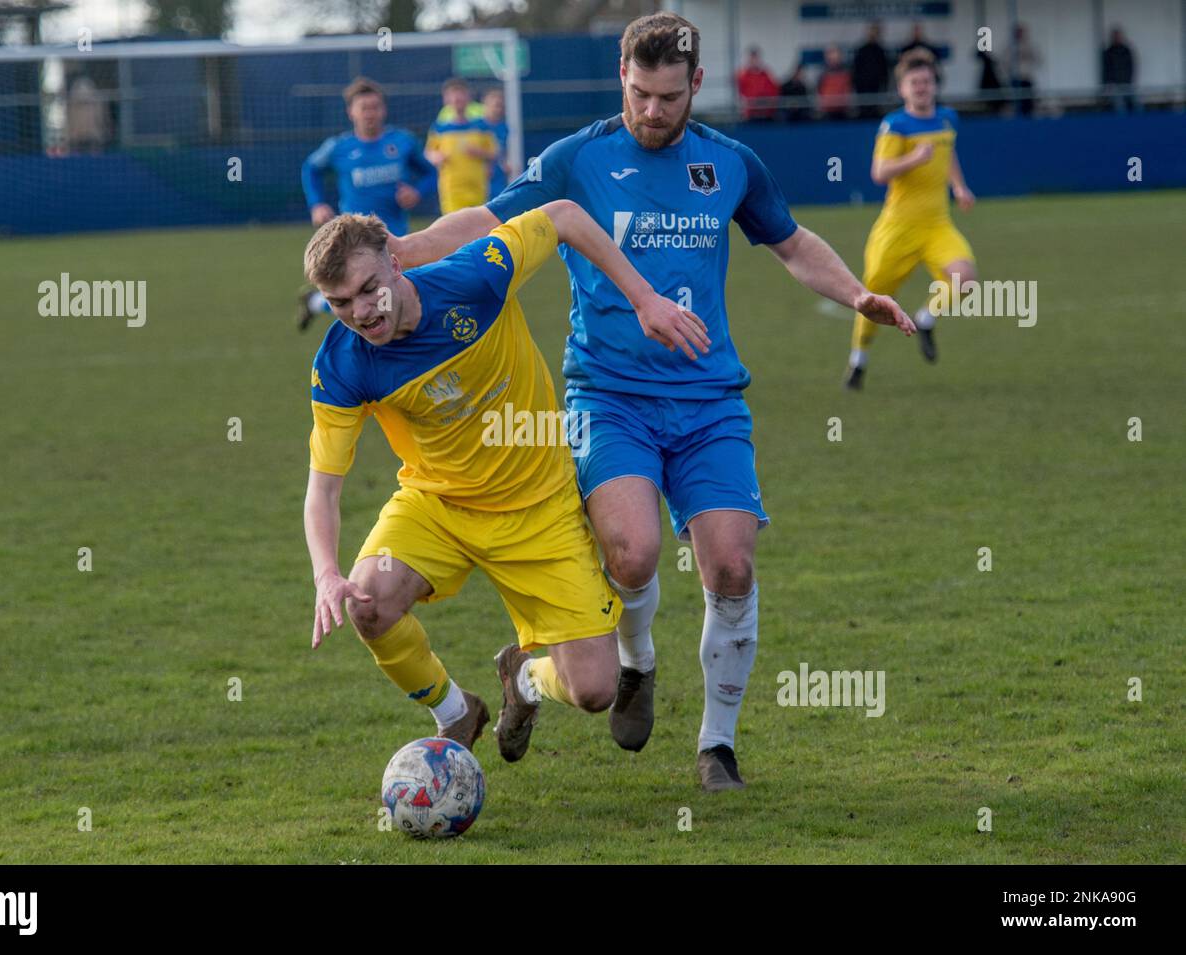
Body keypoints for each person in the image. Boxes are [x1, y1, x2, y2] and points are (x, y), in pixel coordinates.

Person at [387, 12, 913, 791]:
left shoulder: (730, 163)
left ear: (696, 84)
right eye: (639, 94)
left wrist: (858, 291)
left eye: (669, 97)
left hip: (709, 400)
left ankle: (717, 746)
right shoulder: (579, 159)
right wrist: (404, 249)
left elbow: (792, 242)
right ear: (621, 80)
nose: (653, 111)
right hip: (608, 394)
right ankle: (637, 665)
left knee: (730, 564)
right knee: (629, 551)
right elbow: (489, 218)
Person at [302, 202, 708, 759]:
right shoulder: (343, 364)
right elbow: (323, 487)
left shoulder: (478, 276)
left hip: (539, 506)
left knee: (593, 689)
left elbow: (563, 215)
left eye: (369, 289)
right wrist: (327, 573)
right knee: (366, 603)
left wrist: (644, 298)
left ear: (396, 263)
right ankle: (455, 712)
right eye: (339, 302)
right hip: (437, 505)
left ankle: (524, 680)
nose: (360, 312)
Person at [846, 51, 976, 389]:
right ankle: (859, 359)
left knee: (966, 279)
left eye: (927, 81)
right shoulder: (895, 125)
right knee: (873, 298)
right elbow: (879, 172)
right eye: (914, 83)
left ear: (935, 85)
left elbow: (948, 156)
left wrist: (959, 187)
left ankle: (926, 317)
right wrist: (914, 159)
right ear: (902, 89)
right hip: (898, 228)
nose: (921, 87)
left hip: (937, 225)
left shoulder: (947, 120)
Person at [297, 77, 436, 329]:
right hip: (355, 238)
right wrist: (317, 203)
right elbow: (310, 169)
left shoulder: (402, 141)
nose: (370, 113)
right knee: (368, 295)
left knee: (394, 294)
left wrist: (416, 192)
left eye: (375, 107)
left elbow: (431, 173)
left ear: (383, 109)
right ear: (351, 112)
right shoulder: (339, 147)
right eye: (364, 108)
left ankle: (316, 303)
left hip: (395, 234)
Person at [425, 78, 498, 214]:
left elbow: (494, 153)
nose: (457, 99)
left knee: (478, 226)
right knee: (454, 227)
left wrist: (479, 152)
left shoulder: (481, 126)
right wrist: (436, 157)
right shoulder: (440, 128)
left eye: (461, 94)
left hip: (477, 187)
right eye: (452, 95)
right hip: (452, 188)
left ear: (468, 97)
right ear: (446, 100)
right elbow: (428, 153)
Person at [852, 22, 890, 119]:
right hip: (862, 87)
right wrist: (857, 84)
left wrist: (884, 85)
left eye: (875, 32)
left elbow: (884, 71)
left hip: (876, 87)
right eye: (871, 31)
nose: (873, 34)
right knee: (863, 112)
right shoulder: (861, 50)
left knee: (875, 112)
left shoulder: (881, 51)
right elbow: (856, 70)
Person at [481, 88, 512, 199]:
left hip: (498, 173)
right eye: (496, 105)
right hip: (479, 172)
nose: (498, 109)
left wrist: (505, 162)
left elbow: (502, 149)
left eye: (501, 106)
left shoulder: (504, 127)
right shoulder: (477, 127)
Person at [735, 47, 780, 121]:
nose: (754, 61)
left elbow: (774, 90)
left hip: (766, 113)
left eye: (756, 58)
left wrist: (769, 104)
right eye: (752, 58)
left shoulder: (766, 74)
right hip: (751, 113)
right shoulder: (743, 75)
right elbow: (740, 93)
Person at [1101, 27, 1137, 113]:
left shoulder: (1126, 51)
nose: (1117, 38)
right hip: (1114, 85)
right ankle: (1122, 123)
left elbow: (1131, 67)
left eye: (1119, 36)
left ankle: (1138, 122)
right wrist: (1109, 83)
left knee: (1136, 102)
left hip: (1126, 83)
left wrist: (1129, 82)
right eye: (1115, 36)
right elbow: (1106, 70)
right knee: (1119, 104)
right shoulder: (1108, 52)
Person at [1008, 23, 1041, 116]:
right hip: (1015, 78)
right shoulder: (1010, 46)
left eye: (1021, 33)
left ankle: (1028, 117)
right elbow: (1004, 62)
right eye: (1018, 33)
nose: (1020, 35)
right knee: (1017, 102)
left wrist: (1027, 55)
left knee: (1028, 102)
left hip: (1026, 78)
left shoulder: (1029, 45)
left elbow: (1038, 59)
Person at [817, 44, 853, 118]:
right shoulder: (823, 73)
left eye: (836, 55)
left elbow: (849, 88)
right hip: (828, 109)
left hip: (843, 108)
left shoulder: (846, 71)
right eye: (831, 55)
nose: (833, 57)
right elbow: (819, 90)